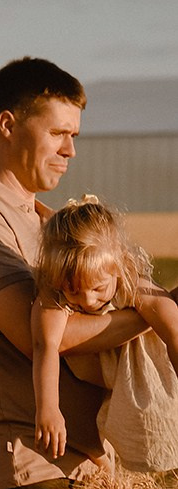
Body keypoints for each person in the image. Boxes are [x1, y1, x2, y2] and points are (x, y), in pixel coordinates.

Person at [0, 56, 152, 489]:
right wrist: (150, 314)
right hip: (30, 473)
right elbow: (46, 337)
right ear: (8, 125)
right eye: (58, 133)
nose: (71, 150)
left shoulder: (48, 220)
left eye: (75, 136)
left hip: (80, 474)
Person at [33, 196, 178, 472]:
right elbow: (45, 345)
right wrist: (48, 408)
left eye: (98, 288)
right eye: (73, 291)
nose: (87, 300)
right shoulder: (52, 293)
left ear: (119, 265)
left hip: (136, 373)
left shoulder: (131, 280)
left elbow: (172, 329)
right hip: (88, 381)